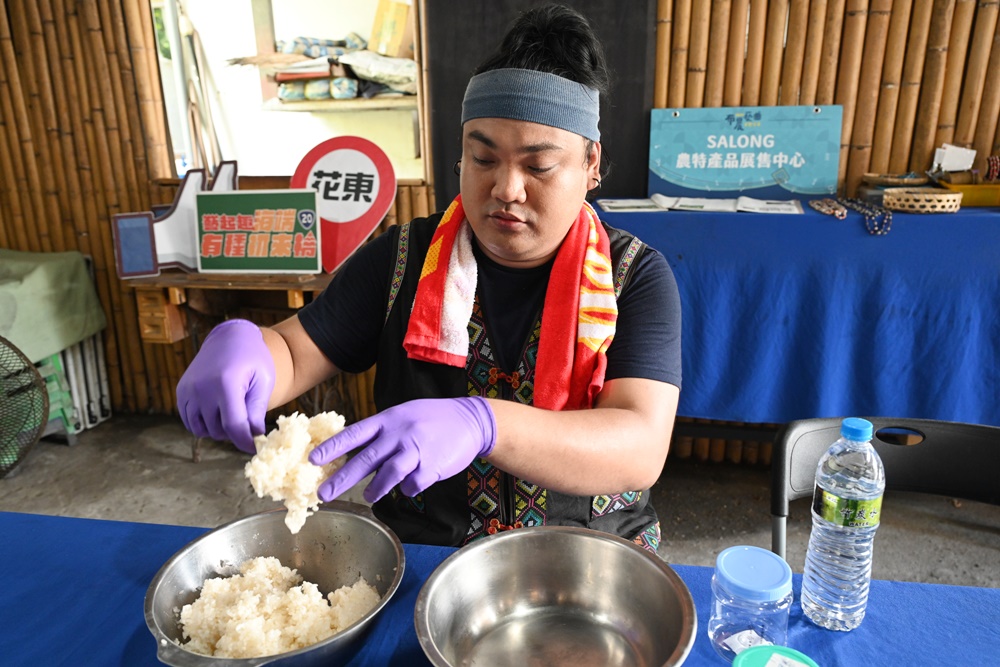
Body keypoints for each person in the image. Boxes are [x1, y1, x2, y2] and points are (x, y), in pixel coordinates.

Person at [176, 4, 682, 553]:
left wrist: (483, 423)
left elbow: (640, 445)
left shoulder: (634, 277)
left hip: (590, 559)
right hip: (429, 558)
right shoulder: (402, 261)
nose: (506, 188)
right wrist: (248, 349)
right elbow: (296, 354)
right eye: (482, 158)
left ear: (591, 164)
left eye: (538, 167)